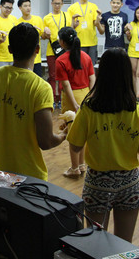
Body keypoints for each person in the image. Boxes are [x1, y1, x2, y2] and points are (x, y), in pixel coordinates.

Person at [67, 48, 139, 243]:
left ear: (102, 73)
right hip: (129, 183)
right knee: (124, 245)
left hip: (97, 183)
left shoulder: (88, 108)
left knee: (96, 243)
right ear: (128, 74)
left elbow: (75, 147)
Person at [0, 22, 68, 181]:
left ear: (10, 49)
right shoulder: (40, 87)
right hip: (29, 176)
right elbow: (46, 142)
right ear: (37, 50)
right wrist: (64, 135)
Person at [56, 27, 96, 178]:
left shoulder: (61, 60)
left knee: (73, 135)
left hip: (71, 97)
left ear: (62, 42)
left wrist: (73, 104)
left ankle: (74, 168)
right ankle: (81, 164)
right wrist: (90, 97)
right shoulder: (86, 56)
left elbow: (66, 86)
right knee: (82, 133)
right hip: (86, 94)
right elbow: (92, 78)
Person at [43, 0, 75, 108]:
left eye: (59, 3)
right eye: (55, 3)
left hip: (64, 49)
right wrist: (45, 33)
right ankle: (52, 99)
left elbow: (70, 31)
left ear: (62, 4)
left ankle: (62, 99)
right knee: (52, 76)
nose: (57, 5)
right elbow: (43, 37)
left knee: (64, 76)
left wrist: (74, 25)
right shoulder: (47, 18)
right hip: (51, 50)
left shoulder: (66, 15)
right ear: (52, 3)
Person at [67, 0, 101, 64]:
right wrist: (74, 23)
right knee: (79, 65)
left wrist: (98, 18)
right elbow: (70, 28)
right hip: (78, 42)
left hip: (92, 42)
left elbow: (95, 23)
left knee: (91, 65)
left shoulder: (93, 6)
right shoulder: (72, 8)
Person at [17, 0, 45, 77]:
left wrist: (46, 32)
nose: (28, 8)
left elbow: (43, 36)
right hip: (24, 59)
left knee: (37, 80)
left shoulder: (38, 19)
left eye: (29, 5)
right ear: (20, 8)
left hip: (36, 59)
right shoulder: (18, 22)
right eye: (25, 6)